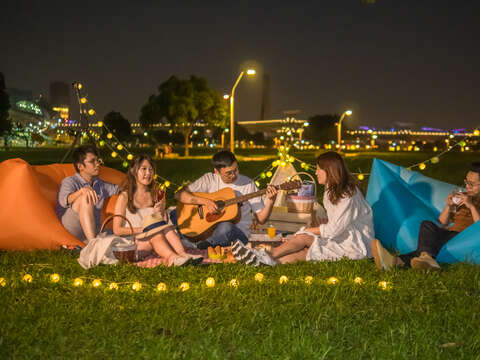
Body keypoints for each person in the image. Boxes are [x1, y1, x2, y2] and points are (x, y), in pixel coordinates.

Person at [232, 151, 374, 266]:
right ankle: (264, 258)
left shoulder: (347, 194)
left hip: (354, 244)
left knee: (306, 249)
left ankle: (264, 258)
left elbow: (335, 228)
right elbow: (339, 221)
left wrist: (310, 229)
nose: (316, 172)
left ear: (329, 171)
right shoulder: (330, 190)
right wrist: (324, 223)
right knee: (304, 240)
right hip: (340, 237)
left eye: (319, 169)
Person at [372, 162, 480, 271]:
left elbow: (478, 230)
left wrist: (471, 206)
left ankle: (396, 261)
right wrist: (448, 206)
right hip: (451, 236)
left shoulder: (472, 202)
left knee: (430, 246)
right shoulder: (464, 197)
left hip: (464, 239)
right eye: (466, 182)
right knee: (427, 225)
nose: (467, 187)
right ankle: (426, 258)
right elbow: (442, 223)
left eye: (472, 184)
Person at [174, 150, 278, 249]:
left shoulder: (248, 184)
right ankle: (200, 242)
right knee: (176, 213)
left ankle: (197, 245)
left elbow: (261, 219)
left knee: (225, 226)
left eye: (236, 170)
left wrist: (271, 201)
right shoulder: (209, 179)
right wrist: (205, 201)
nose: (234, 175)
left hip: (237, 233)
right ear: (217, 171)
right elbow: (179, 194)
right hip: (209, 229)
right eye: (228, 173)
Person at [113, 155, 202, 266]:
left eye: (151, 170)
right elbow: (117, 230)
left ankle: (183, 255)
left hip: (152, 239)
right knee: (156, 233)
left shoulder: (155, 193)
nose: (148, 173)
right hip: (133, 244)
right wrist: (143, 230)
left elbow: (162, 222)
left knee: (167, 227)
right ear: (133, 171)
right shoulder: (125, 196)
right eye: (144, 169)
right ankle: (172, 258)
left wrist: (160, 212)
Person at [56, 145, 119, 242]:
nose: (97, 164)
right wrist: (81, 192)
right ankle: (93, 245)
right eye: (92, 161)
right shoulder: (70, 181)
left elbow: (119, 189)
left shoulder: (100, 185)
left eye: (97, 160)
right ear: (80, 166)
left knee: (121, 237)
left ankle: (92, 240)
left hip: (93, 229)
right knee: (85, 197)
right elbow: (63, 201)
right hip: (72, 228)